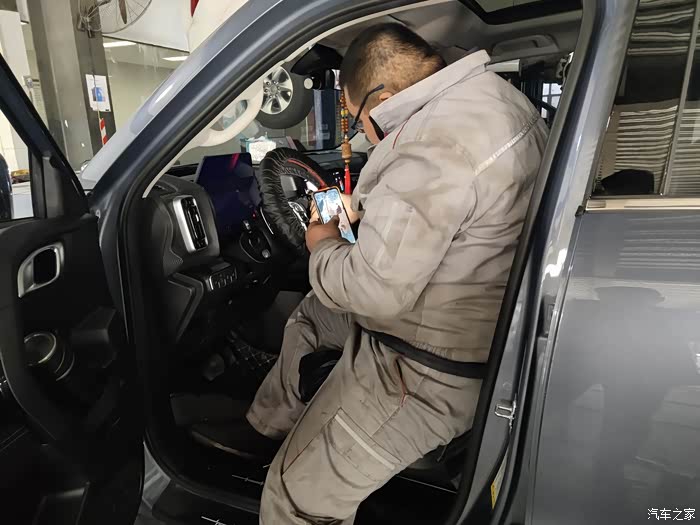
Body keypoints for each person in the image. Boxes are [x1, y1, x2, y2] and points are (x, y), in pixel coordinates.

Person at [196, 23, 548, 524]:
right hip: (460, 325)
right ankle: (266, 431)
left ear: (383, 97)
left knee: (295, 500)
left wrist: (322, 244)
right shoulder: (491, 99)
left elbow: (374, 291)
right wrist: (368, 211)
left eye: (359, 116)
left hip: (426, 368)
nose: (361, 131)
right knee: (314, 315)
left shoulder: (434, 142)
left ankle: (294, 472)